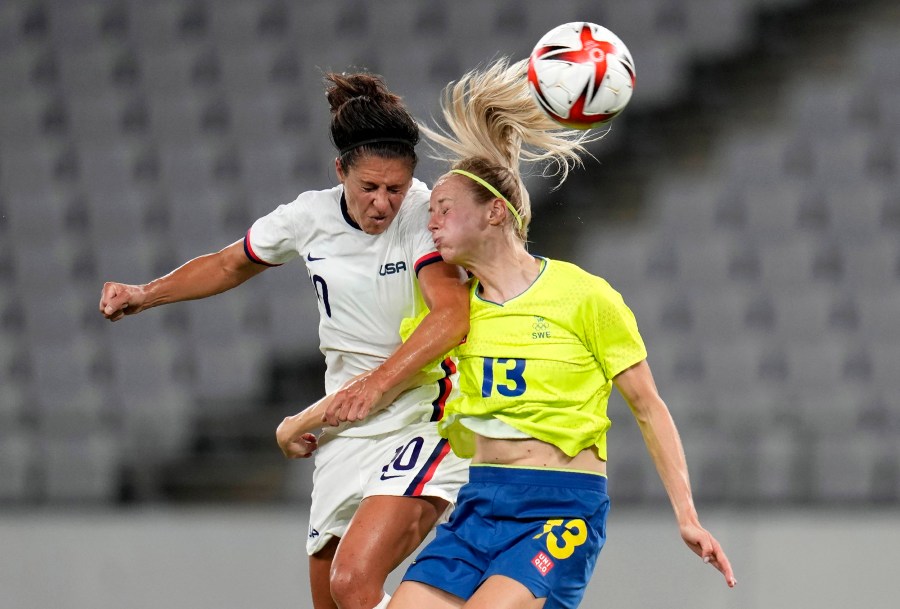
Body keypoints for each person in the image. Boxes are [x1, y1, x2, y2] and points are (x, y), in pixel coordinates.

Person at [99, 72, 471, 609]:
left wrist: (376, 385)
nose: (383, 204)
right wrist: (144, 293)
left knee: (352, 583)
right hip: (345, 427)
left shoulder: (423, 213)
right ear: (340, 170)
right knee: (332, 602)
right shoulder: (308, 216)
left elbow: (451, 317)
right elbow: (229, 264)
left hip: (421, 414)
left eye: (395, 188)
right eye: (369, 187)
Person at [386, 58, 737, 609]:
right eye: (430, 212)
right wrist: (309, 420)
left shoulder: (585, 297)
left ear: (496, 214)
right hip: (480, 503)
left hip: (561, 509)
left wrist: (687, 517)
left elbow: (648, 407)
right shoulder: (450, 316)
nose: (431, 223)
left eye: (444, 209)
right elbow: (387, 385)